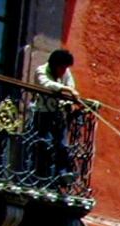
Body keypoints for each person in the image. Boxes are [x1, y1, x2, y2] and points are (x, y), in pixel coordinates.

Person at [33, 48, 81, 182]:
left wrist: (70, 99)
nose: (64, 71)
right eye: (62, 67)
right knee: (45, 142)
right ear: (54, 65)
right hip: (43, 113)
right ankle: (42, 173)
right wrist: (68, 89)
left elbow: (70, 85)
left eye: (66, 68)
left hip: (58, 113)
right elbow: (46, 84)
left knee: (62, 144)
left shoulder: (66, 72)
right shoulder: (41, 70)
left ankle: (63, 172)